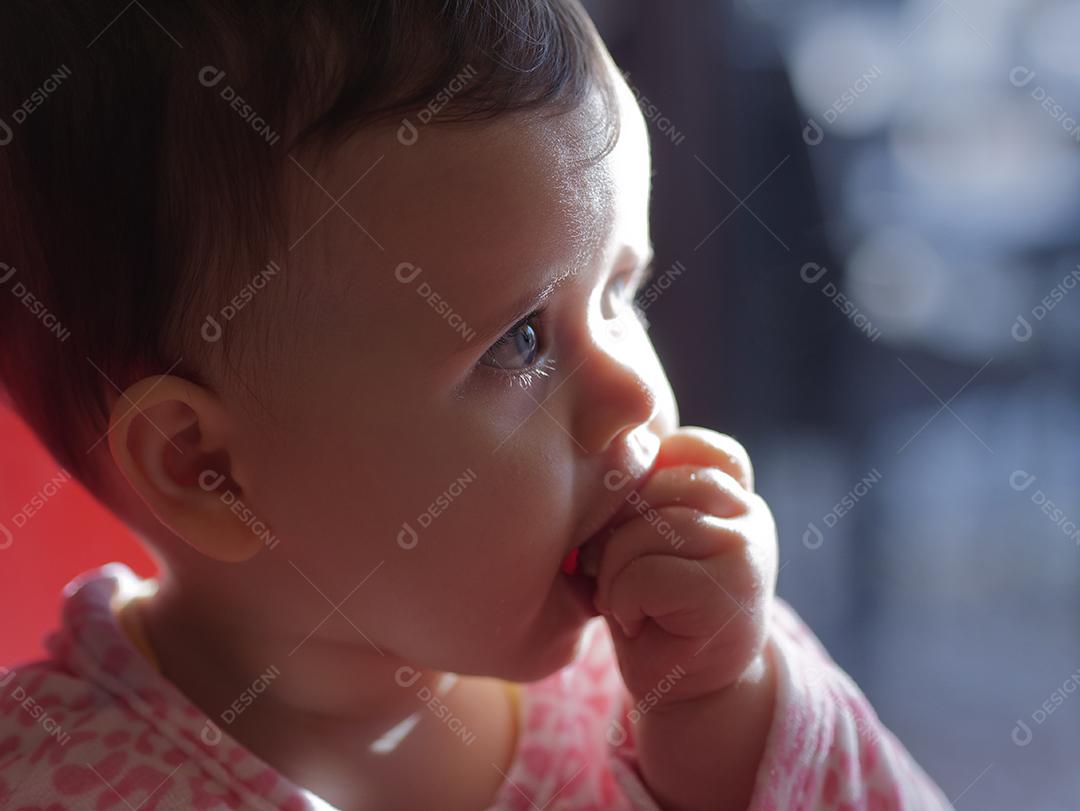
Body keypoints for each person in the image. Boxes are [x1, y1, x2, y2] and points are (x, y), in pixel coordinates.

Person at [0, 1, 953, 808]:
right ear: (205, 469)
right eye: (520, 341)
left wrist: (727, 727)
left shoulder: (696, 662)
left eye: (622, 291)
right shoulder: (62, 777)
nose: (630, 390)